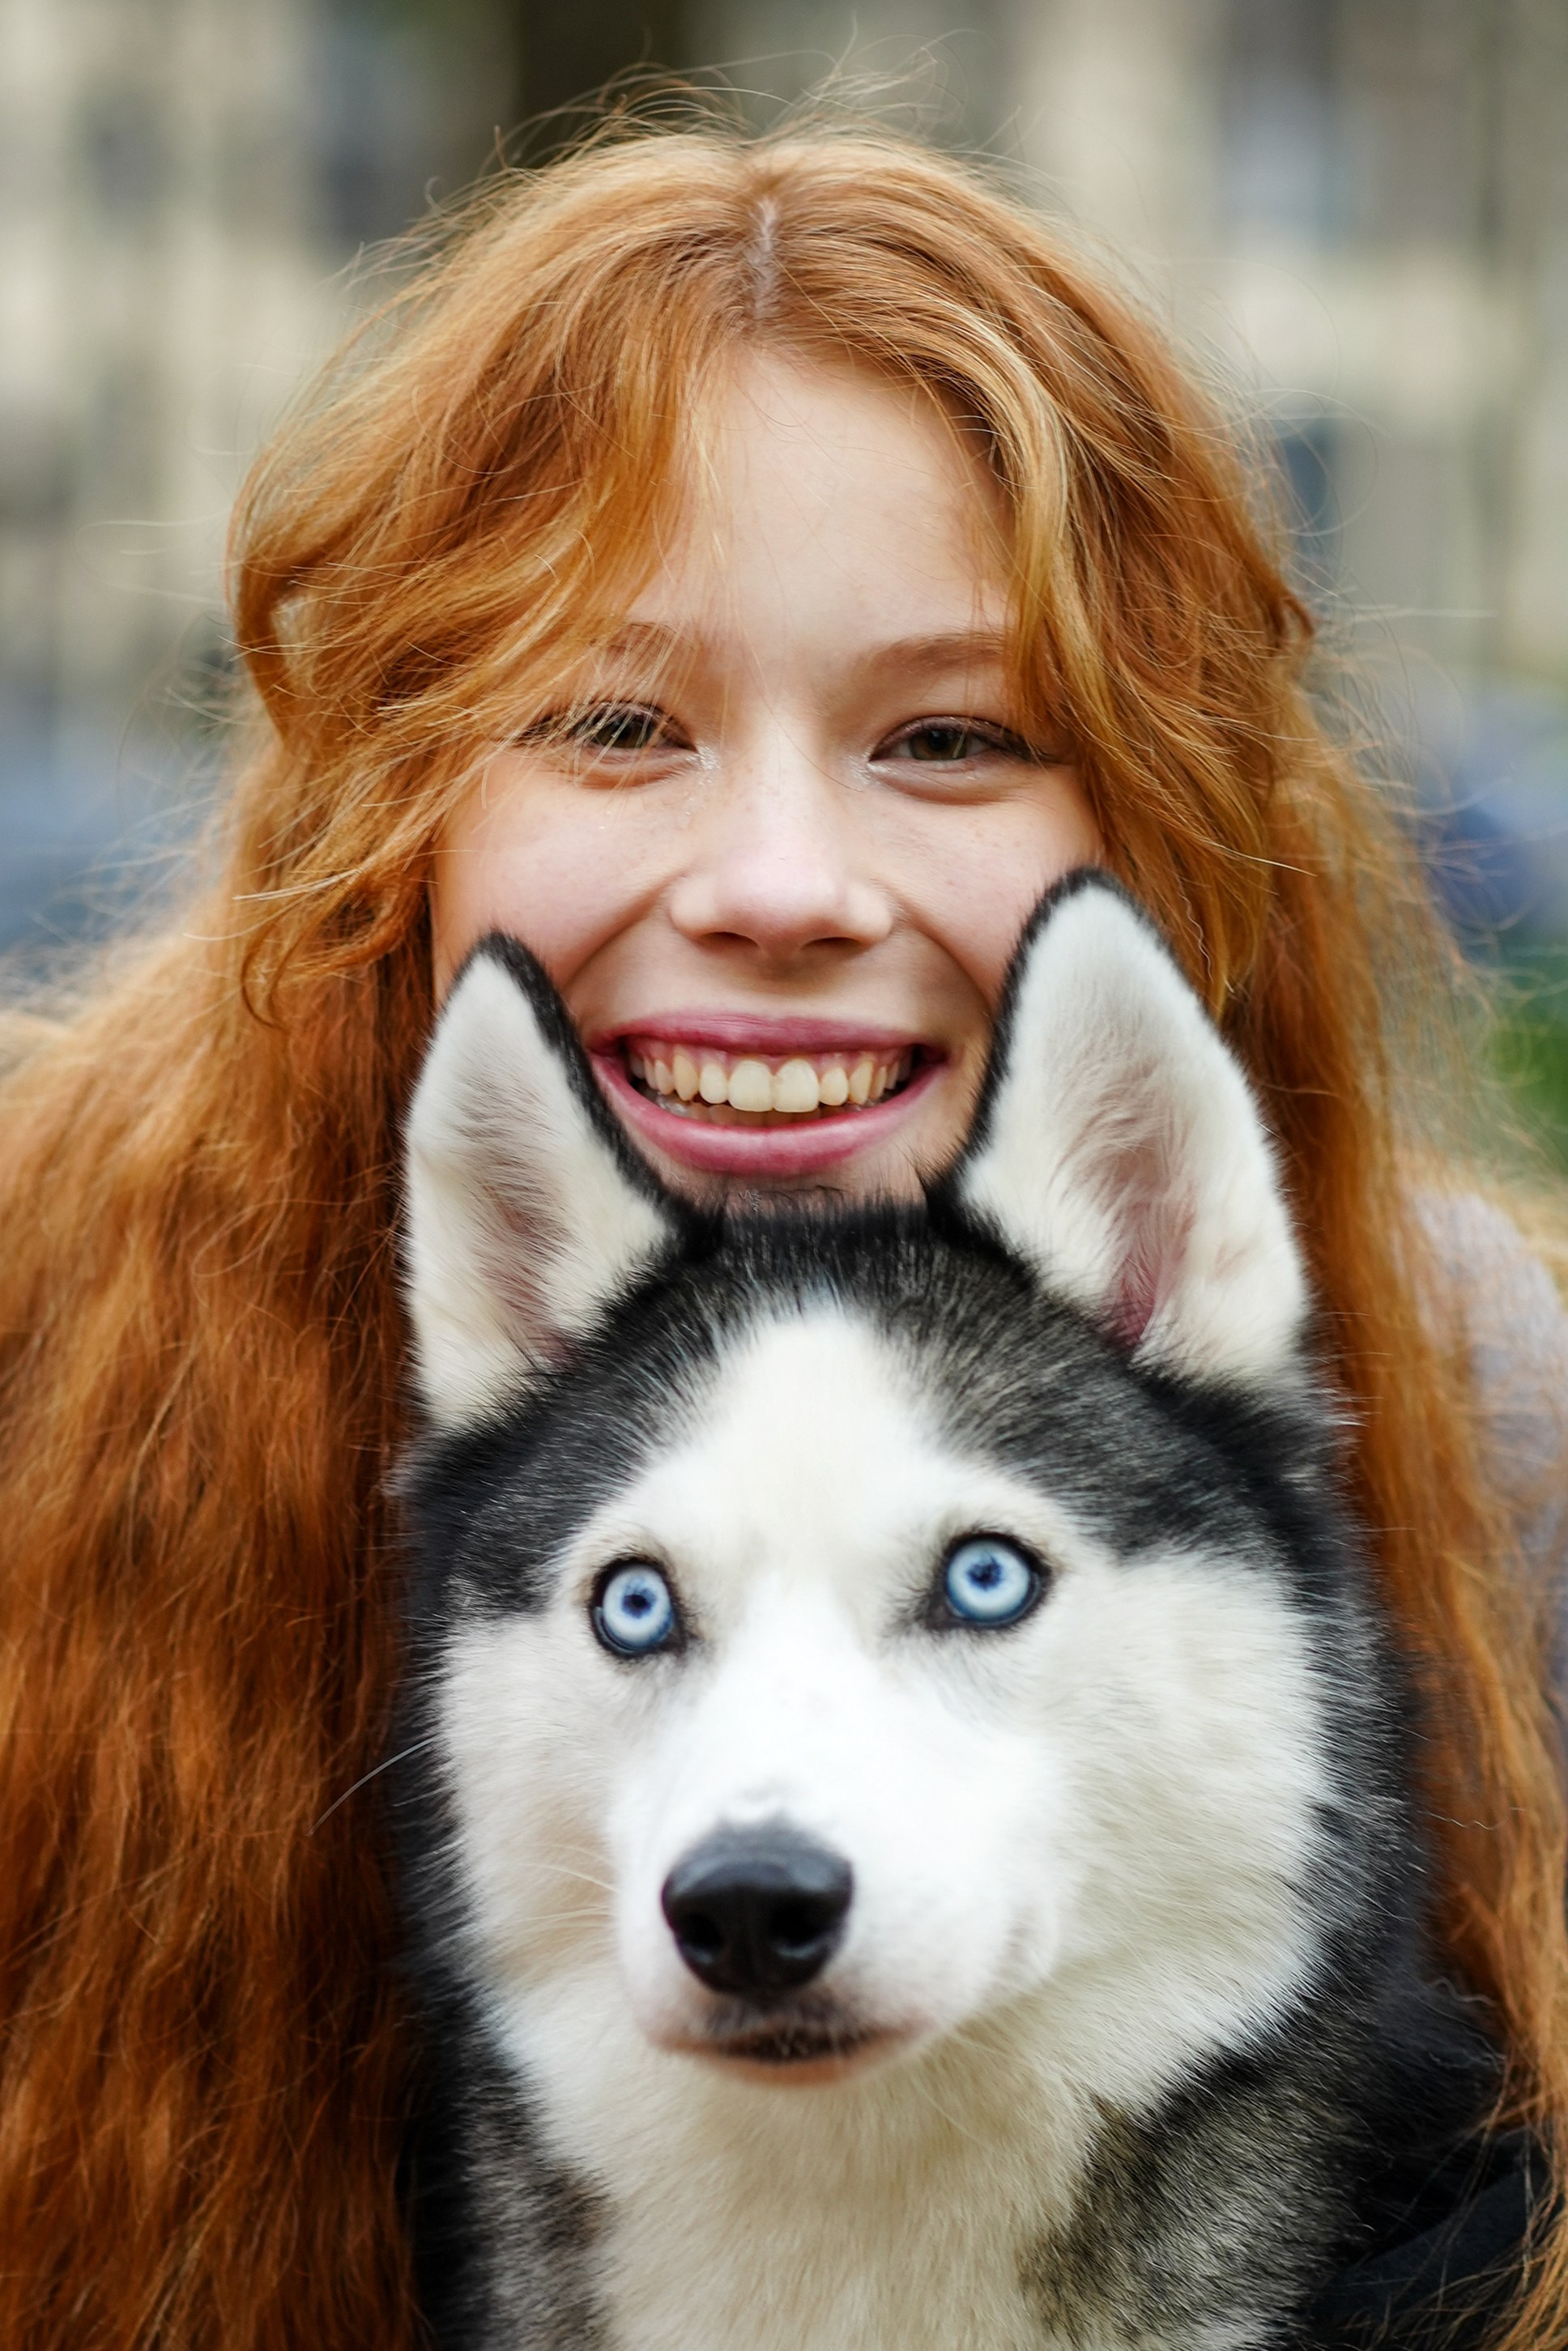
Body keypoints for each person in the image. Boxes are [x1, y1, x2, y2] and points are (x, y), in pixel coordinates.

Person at [1, 119, 1564, 2351]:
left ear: (1167, 846)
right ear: (400, 816)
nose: (777, 882)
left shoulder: (1494, 1440)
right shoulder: (40, 1377)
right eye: (618, 722)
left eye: (946, 737)